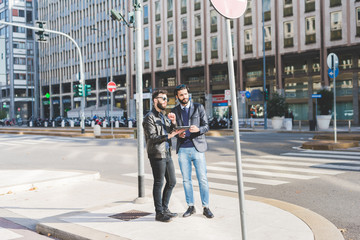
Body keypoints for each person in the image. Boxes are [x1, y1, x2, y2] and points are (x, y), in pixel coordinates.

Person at [171, 84, 214, 219]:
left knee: (202, 179)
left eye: (185, 94)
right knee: (186, 180)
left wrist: (199, 130)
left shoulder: (198, 107)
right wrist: (179, 134)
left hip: (197, 148)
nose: (184, 97)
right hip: (183, 149)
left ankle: (206, 207)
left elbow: (207, 126)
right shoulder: (175, 110)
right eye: (181, 95)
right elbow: (173, 130)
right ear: (177, 97)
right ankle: (190, 206)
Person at [143, 89, 184, 222]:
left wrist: (173, 122)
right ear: (155, 100)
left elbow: (172, 130)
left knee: (172, 181)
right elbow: (152, 137)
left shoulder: (163, 116)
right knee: (159, 182)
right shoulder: (149, 117)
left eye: (166, 99)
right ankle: (159, 213)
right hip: (156, 153)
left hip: (167, 153)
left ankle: (165, 208)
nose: (166, 101)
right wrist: (168, 135)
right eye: (163, 98)